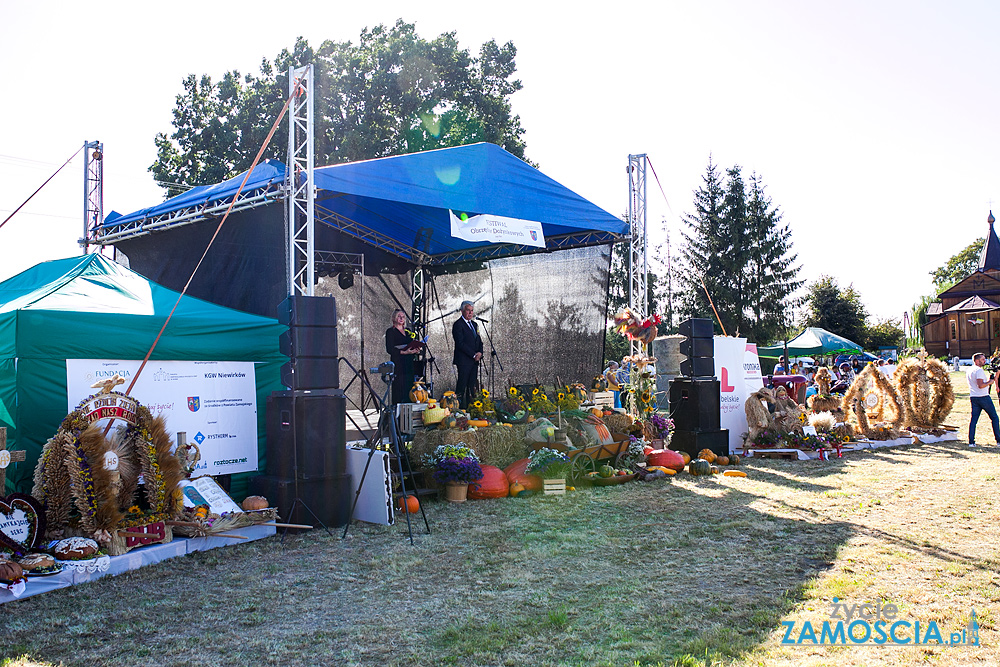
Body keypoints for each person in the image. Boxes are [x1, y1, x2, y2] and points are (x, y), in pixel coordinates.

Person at [385, 309, 421, 405]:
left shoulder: (408, 331)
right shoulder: (390, 331)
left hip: (409, 363)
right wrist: (404, 352)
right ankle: (397, 414)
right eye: (399, 316)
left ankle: (407, 412)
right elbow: (390, 349)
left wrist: (415, 350)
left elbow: (410, 344)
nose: (401, 318)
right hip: (398, 363)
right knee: (399, 386)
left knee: (409, 387)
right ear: (394, 318)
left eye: (403, 317)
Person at [452, 300, 483, 408]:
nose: (470, 313)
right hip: (464, 361)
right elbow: (460, 343)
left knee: (472, 386)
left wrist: (480, 352)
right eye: (468, 310)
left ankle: (471, 409)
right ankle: (458, 409)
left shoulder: (474, 325)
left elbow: (479, 340)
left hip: (474, 361)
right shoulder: (458, 325)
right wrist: (473, 355)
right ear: (462, 311)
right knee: (462, 385)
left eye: (472, 311)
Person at [966, 353, 1000, 447]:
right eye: (983, 359)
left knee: (974, 420)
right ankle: (998, 440)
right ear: (977, 361)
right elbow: (980, 385)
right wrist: (990, 382)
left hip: (974, 397)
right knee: (994, 418)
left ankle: (971, 441)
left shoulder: (969, 370)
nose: (984, 361)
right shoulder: (979, 370)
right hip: (983, 397)